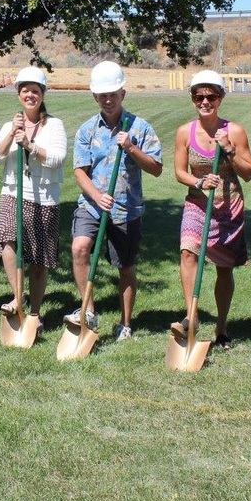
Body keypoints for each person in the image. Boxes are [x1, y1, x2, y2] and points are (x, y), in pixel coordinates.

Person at [64, 61, 163, 342]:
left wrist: (131, 147)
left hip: (127, 210)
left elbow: (156, 168)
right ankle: (89, 312)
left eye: (113, 94)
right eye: (102, 95)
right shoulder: (86, 130)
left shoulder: (140, 127)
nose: (108, 100)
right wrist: (96, 195)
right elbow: (79, 172)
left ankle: (125, 324)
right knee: (80, 247)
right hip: (92, 206)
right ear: (95, 97)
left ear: (123, 93)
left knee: (126, 267)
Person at [170, 70, 251, 349]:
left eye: (211, 96)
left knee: (224, 269)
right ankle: (191, 317)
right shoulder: (185, 132)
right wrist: (199, 181)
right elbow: (179, 172)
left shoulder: (235, 131)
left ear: (220, 98)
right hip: (197, 203)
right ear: (193, 99)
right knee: (187, 252)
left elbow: (249, 172)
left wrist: (229, 150)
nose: (205, 101)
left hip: (229, 207)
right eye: (199, 97)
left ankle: (222, 328)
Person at [0, 66, 67, 331]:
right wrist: (12, 134)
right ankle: (17, 295)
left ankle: (34, 312)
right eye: (25, 91)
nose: (30, 95)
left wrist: (31, 146)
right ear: (18, 95)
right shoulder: (11, 125)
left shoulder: (54, 125)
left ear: (42, 94)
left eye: (35, 91)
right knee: (9, 241)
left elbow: (58, 159)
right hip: (13, 192)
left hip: (43, 196)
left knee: (39, 257)